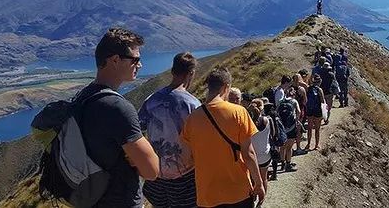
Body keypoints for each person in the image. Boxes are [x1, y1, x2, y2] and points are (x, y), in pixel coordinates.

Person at [77, 28, 160, 208]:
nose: (140, 65)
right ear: (115, 60)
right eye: (135, 60)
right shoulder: (118, 108)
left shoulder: (82, 98)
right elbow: (152, 170)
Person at [181, 66, 264, 208]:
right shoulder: (239, 112)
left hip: (207, 195)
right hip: (238, 192)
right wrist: (259, 183)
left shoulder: (192, 119)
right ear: (226, 87)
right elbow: (249, 154)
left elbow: (187, 159)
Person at [139, 52, 200, 208]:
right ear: (191, 73)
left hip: (156, 173)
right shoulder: (193, 105)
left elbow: (137, 132)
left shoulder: (151, 100)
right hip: (185, 174)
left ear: (173, 71)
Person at [247, 101, 274, 195]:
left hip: (251, 156)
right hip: (265, 154)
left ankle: (252, 198)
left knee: (251, 179)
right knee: (264, 178)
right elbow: (273, 134)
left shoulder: (247, 124)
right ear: (261, 109)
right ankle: (261, 200)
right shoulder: (268, 120)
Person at [276, 86, 300, 171]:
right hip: (291, 127)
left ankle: (282, 164)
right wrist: (296, 120)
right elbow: (299, 111)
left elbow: (277, 112)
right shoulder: (294, 101)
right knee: (289, 147)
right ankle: (288, 164)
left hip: (282, 127)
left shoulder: (281, 101)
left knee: (283, 147)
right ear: (293, 94)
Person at [303, 74, 326, 151]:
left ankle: (308, 144)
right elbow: (322, 101)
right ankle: (316, 145)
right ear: (319, 82)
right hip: (317, 112)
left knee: (309, 128)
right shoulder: (319, 90)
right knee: (317, 129)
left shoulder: (308, 89)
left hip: (310, 111)